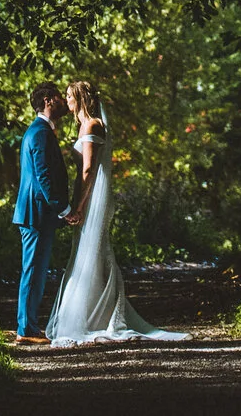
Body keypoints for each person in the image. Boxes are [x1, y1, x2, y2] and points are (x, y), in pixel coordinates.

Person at [45, 78, 186, 346]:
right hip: (85, 194)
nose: (67, 101)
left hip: (93, 197)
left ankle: (102, 316)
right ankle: (90, 314)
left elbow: (88, 170)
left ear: (81, 98)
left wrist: (79, 205)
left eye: (70, 96)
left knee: (96, 252)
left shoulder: (93, 125)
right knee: (85, 253)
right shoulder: (84, 126)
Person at [9, 81, 70, 344]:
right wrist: (64, 208)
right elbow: (44, 177)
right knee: (33, 269)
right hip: (36, 213)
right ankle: (26, 329)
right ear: (47, 100)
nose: (63, 102)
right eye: (59, 97)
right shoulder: (41, 133)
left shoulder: (38, 131)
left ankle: (28, 324)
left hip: (35, 212)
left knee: (34, 269)